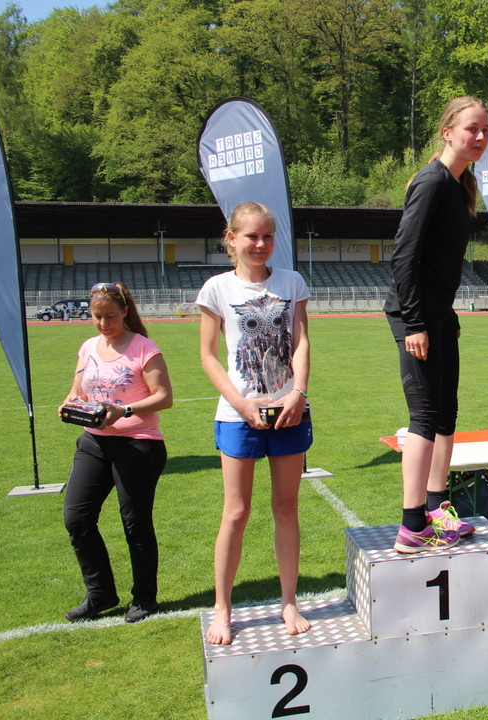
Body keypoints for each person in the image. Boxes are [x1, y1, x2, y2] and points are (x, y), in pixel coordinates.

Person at [197, 201, 313, 644]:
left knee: (286, 508)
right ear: (232, 239)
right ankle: (222, 608)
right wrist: (240, 403)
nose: (261, 244)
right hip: (238, 415)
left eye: (267, 236)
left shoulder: (292, 282)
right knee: (236, 511)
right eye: (251, 236)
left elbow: (300, 341)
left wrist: (298, 392)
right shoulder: (216, 289)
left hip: (289, 411)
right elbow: (208, 355)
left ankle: (288, 601)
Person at [384, 96, 488, 553]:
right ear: (448, 131)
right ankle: (411, 525)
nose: (480, 137)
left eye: (486, 130)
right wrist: (416, 323)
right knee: (425, 417)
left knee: (447, 415)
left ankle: (437, 510)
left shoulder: (461, 184)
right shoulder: (430, 182)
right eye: (472, 129)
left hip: (439, 314)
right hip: (415, 316)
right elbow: (403, 255)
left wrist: (445, 318)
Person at [62, 281, 173, 623]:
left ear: (125, 312)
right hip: (93, 442)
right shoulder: (88, 347)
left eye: (110, 316)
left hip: (138, 442)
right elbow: (77, 389)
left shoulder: (144, 348)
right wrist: (70, 404)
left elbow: (164, 397)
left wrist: (123, 411)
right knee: (77, 519)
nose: (103, 323)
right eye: (96, 316)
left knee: (135, 523)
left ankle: (144, 597)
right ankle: (101, 595)